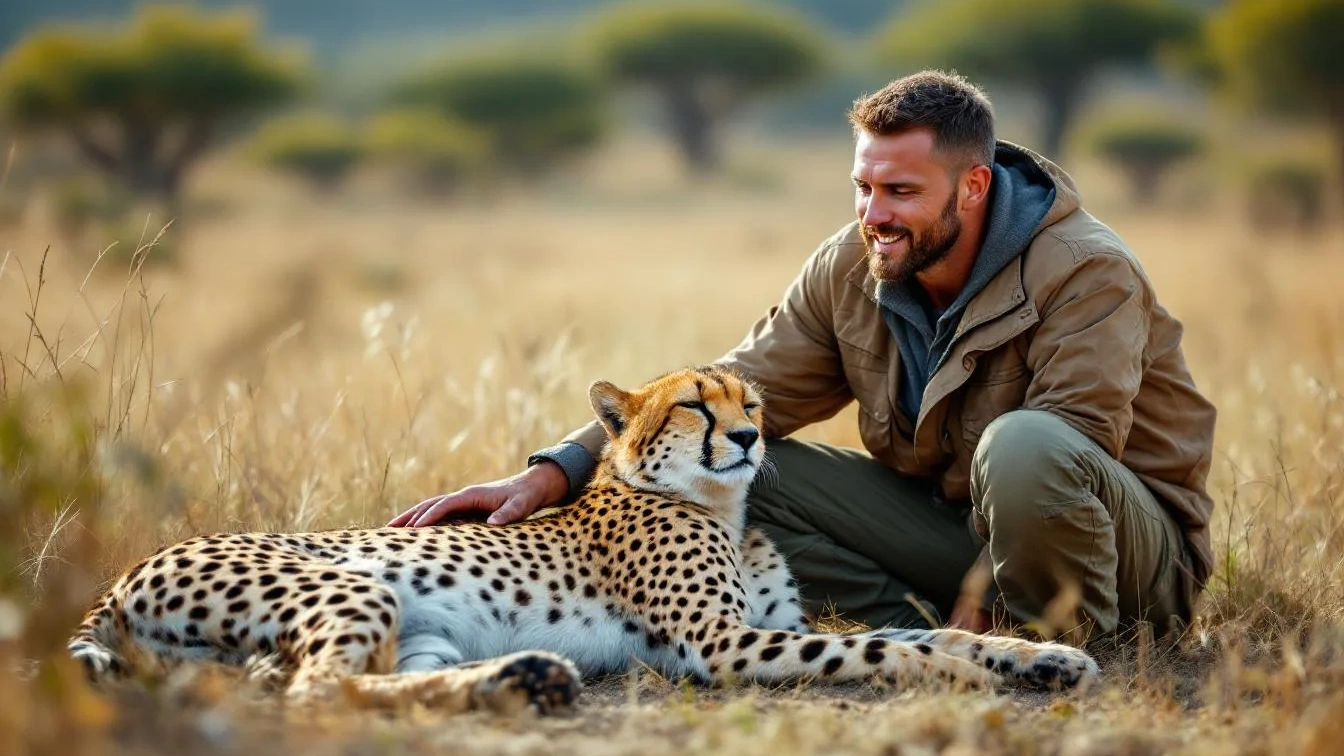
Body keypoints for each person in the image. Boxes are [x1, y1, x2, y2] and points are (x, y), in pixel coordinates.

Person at [390, 70, 1217, 643]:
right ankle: (923, 632)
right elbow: (734, 388)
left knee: (1027, 443)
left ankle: (1054, 638)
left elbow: (1072, 450)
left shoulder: (1087, 268)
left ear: (972, 187)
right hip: (966, 534)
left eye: (900, 192)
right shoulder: (852, 263)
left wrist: (1002, 584)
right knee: (739, 461)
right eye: (863, 186)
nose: (873, 214)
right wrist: (553, 472)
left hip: (1118, 558)